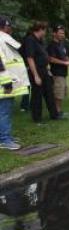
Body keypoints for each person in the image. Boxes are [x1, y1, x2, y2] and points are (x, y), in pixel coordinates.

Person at [0, 16, 29, 150]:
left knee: (5, 111)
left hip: (6, 82)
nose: (10, 29)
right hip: (4, 84)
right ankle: (5, 140)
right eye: (9, 26)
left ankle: (6, 136)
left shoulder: (3, 39)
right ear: (4, 27)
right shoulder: (1, 39)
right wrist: (6, 83)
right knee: (4, 112)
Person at [23, 21, 59, 123]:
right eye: (45, 30)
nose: (45, 32)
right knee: (37, 94)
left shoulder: (40, 41)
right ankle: (37, 118)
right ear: (40, 29)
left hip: (44, 69)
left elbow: (43, 56)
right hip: (36, 70)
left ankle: (54, 115)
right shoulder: (30, 40)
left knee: (49, 92)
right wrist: (35, 75)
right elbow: (30, 58)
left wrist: (48, 69)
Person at [47, 25, 69, 117]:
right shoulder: (51, 45)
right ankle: (56, 113)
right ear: (54, 33)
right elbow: (51, 59)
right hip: (56, 73)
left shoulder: (62, 44)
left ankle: (59, 111)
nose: (63, 35)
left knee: (61, 93)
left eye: (63, 33)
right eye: (60, 33)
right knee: (57, 94)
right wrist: (64, 63)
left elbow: (65, 56)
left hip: (63, 73)